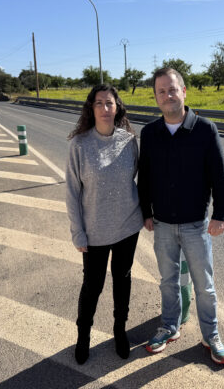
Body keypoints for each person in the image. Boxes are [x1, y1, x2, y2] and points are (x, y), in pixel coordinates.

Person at [138, 68, 224, 365]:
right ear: (156, 97)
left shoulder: (204, 129)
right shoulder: (149, 133)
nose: (167, 95)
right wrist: (146, 212)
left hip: (195, 225)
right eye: (161, 91)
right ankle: (170, 326)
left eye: (172, 89)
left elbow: (219, 175)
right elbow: (145, 177)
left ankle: (211, 335)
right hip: (163, 224)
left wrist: (220, 213)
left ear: (184, 91)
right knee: (168, 281)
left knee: (204, 285)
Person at [65, 84, 144, 365]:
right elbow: (72, 192)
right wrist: (77, 232)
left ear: (117, 107)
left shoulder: (129, 140)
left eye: (109, 103)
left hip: (127, 227)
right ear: (91, 108)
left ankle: (120, 330)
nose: (105, 108)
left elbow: (137, 179)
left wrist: (146, 213)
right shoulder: (80, 145)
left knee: (122, 281)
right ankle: (83, 336)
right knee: (92, 286)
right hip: (94, 231)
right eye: (99, 103)